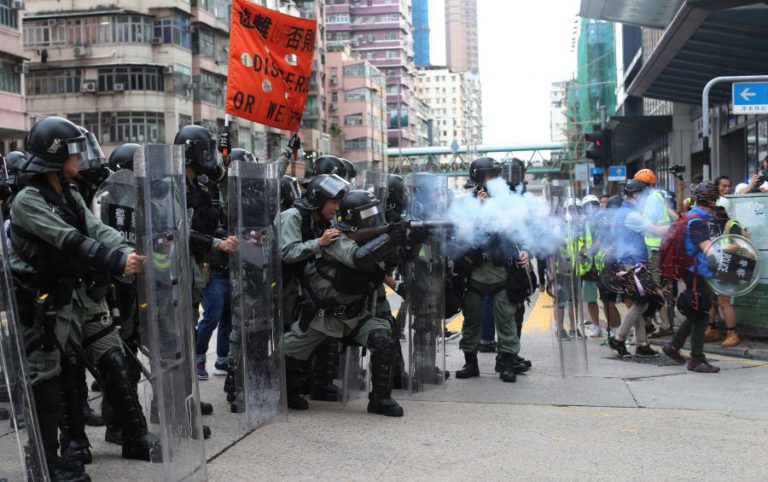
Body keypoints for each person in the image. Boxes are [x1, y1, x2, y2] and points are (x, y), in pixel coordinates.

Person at [10, 117, 158, 480]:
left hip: (76, 298)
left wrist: (127, 251)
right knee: (48, 381)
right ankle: (44, 464)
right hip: (43, 303)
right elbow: (68, 239)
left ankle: (127, 437)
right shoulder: (28, 200)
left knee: (106, 362)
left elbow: (98, 230)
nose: (82, 157)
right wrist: (115, 260)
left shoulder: (69, 192)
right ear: (56, 155)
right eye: (74, 150)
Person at [282, 189, 407, 416]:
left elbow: (389, 262)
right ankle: (285, 391)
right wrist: (390, 237)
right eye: (367, 215)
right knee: (285, 355)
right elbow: (358, 259)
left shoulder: (373, 239)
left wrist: (406, 239)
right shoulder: (335, 237)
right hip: (323, 316)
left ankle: (380, 400)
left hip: (355, 315)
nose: (372, 219)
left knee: (383, 340)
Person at [454, 157, 531, 383]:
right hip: (475, 273)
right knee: (471, 321)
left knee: (506, 319)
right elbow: (461, 234)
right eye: (491, 175)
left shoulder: (505, 200)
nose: (495, 180)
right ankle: (470, 363)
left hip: (501, 272)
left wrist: (525, 250)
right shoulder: (466, 201)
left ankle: (507, 363)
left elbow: (518, 228)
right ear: (479, 177)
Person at [280, 174, 349, 405]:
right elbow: (288, 252)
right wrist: (319, 242)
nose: (337, 208)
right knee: (290, 335)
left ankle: (301, 386)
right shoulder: (293, 217)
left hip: (304, 286)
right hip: (282, 286)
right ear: (320, 200)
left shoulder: (320, 220)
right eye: (334, 202)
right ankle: (285, 390)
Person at [663, 183, 722, 372]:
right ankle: (696, 359)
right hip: (697, 273)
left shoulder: (699, 216)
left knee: (696, 313)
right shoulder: (697, 220)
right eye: (714, 197)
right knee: (702, 315)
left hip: (696, 272)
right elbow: (708, 249)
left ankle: (673, 346)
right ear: (711, 199)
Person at [607, 179, 667, 357]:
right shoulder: (630, 215)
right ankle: (618, 338)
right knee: (641, 303)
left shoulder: (621, 212)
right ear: (637, 195)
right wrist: (678, 226)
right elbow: (654, 230)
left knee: (638, 303)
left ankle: (642, 343)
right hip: (633, 264)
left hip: (628, 263)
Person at [636, 168, 678, 337]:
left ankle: (666, 325)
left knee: (657, 287)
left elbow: (650, 225)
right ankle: (664, 323)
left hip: (656, 250)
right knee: (663, 286)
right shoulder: (659, 196)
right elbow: (674, 216)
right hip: (663, 248)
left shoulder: (652, 200)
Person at [705, 198, 742, 347]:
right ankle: (712, 329)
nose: (716, 212)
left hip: (729, 264)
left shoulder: (732, 224)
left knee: (724, 301)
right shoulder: (711, 224)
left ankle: (732, 333)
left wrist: (718, 250)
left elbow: (737, 245)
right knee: (712, 300)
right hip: (714, 264)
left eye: (719, 209)